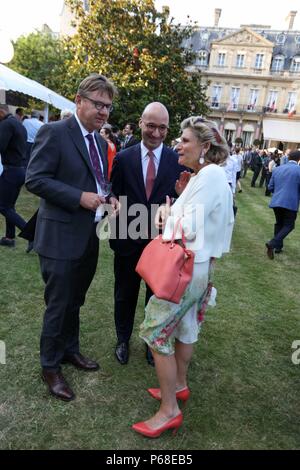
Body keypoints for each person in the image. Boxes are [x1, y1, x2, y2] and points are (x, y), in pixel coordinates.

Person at [131, 116, 234, 438]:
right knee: (187, 326)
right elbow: (204, 219)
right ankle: (178, 386)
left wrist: (166, 214)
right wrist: (181, 200)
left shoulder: (212, 175)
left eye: (185, 140)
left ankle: (169, 411)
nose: (178, 144)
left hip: (186, 269)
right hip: (198, 267)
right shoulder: (206, 176)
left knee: (156, 332)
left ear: (205, 146)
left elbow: (185, 227)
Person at [25, 74, 119, 401]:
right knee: (58, 304)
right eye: (97, 104)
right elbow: (35, 179)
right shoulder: (54, 132)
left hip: (87, 235)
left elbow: (95, 182)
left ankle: (69, 350)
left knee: (76, 300)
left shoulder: (98, 141)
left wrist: (108, 198)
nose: (103, 111)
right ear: (78, 100)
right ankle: (50, 367)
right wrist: (78, 196)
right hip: (58, 237)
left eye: (107, 106)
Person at [110, 102, 186, 366]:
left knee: (155, 296)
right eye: (151, 126)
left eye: (162, 128)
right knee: (124, 293)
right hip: (127, 239)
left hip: (160, 242)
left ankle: (150, 342)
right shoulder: (123, 158)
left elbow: (180, 199)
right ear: (141, 123)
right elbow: (113, 195)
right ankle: (122, 339)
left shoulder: (176, 162)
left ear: (168, 129)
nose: (155, 133)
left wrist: (173, 206)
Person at [0, 104, 28, 248]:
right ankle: (9, 238)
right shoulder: (18, 124)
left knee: (3, 206)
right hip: (20, 170)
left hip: (11, 170)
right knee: (8, 205)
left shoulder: (6, 124)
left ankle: (31, 234)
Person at [265, 150, 300, 259]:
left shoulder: (278, 169)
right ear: (298, 160)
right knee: (289, 225)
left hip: (277, 201)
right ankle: (273, 243)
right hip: (290, 202)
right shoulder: (298, 170)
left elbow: (270, 187)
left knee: (279, 223)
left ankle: (278, 247)